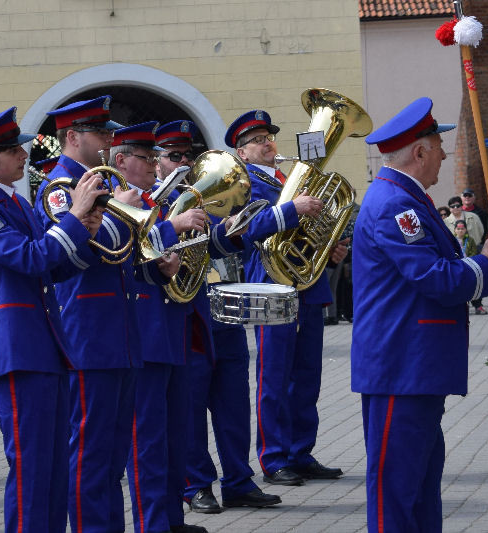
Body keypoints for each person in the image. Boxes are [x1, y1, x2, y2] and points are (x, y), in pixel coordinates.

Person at [352, 97, 488, 532]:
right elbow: (436, 278)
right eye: (439, 145)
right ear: (419, 152)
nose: (444, 153)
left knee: (419, 486)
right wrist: (486, 262)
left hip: (412, 366)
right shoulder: (395, 205)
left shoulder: (405, 199)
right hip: (401, 365)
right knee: (397, 489)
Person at [0, 106, 107, 533]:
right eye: (11, 150)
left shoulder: (14, 200)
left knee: (54, 465)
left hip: (44, 344)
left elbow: (52, 267)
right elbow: (29, 258)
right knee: (32, 467)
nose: (23, 155)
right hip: (19, 347)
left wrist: (86, 236)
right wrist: (74, 219)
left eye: (20, 147)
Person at [157, 120, 281, 514]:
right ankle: (196, 484)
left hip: (224, 304)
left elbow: (230, 241)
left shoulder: (206, 195)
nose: (181, 161)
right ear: (157, 161)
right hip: (188, 312)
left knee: (232, 402)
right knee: (192, 403)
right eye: (171, 155)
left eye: (187, 154)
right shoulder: (152, 206)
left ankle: (239, 480)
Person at [32, 95, 144, 533]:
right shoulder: (62, 188)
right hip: (88, 334)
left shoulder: (100, 183)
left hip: (118, 332)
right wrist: (129, 211)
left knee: (112, 456)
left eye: (109, 132)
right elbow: (94, 243)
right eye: (100, 132)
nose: (110, 141)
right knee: (90, 455)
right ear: (73, 137)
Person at [225, 109, 346, 488]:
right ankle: (274, 458)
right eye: (257, 140)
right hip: (270, 285)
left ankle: (301, 452)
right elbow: (243, 232)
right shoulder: (241, 186)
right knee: (273, 376)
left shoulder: (291, 178)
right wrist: (290, 209)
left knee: (308, 374)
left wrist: (330, 249)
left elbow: (309, 231)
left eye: (268, 137)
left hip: (306, 286)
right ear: (242, 153)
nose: (267, 143)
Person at [113, 121, 216, 533]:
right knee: (148, 440)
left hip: (174, 328)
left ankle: (172, 519)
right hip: (145, 331)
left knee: (176, 436)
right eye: (146, 156)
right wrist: (172, 228)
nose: (155, 163)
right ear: (122, 161)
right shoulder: (117, 201)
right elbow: (127, 247)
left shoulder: (159, 201)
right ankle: (152, 523)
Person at [452, 220, 487, 314]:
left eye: (462, 228)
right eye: (458, 229)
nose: (460, 231)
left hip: (469, 266)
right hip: (457, 267)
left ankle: (478, 306)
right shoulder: (452, 240)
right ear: (455, 230)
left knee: (474, 287)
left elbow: (474, 253)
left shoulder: (470, 240)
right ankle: (459, 309)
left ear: (466, 229)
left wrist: (468, 260)